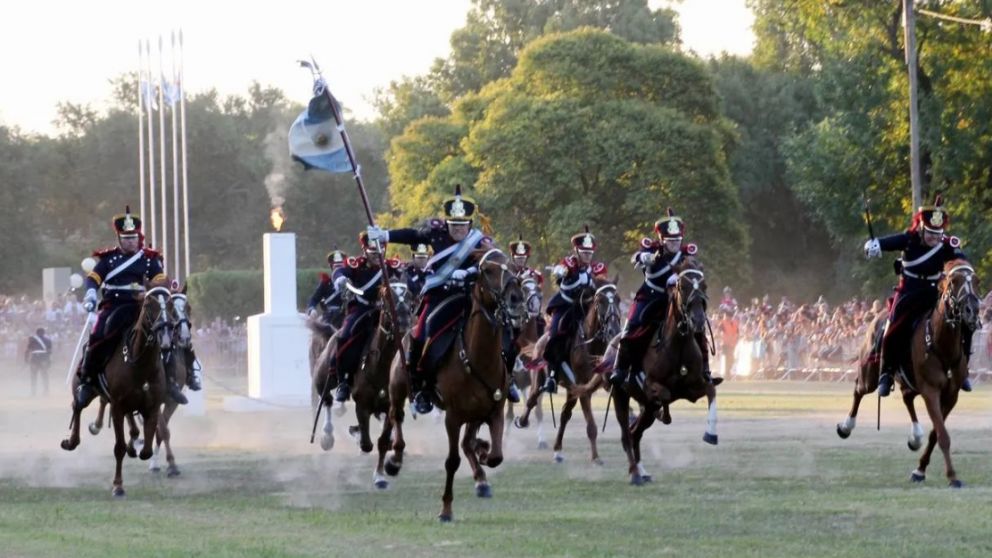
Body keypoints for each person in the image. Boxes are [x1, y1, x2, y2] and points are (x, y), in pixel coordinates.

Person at [366, 185, 518, 413]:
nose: (458, 229)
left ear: (470, 224)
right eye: (454, 225)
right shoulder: (435, 233)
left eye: (462, 225)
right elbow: (411, 235)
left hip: (470, 296)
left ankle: (508, 378)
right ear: (447, 223)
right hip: (440, 296)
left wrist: (469, 273)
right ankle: (420, 386)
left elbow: (496, 263)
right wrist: (385, 235)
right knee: (421, 333)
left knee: (505, 328)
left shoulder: (480, 241)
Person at [75, 206, 186, 408]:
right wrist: (91, 293)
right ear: (119, 238)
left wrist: (157, 288)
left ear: (139, 237)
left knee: (167, 334)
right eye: (126, 238)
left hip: (142, 307)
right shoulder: (108, 259)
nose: (131, 241)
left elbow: (159, 278)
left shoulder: (149, 259)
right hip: (114, 306)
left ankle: (171, 381)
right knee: (97, 336)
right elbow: (93, 278)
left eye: (134, 237)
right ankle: (87, 381)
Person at [863, 194, 972, 396]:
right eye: (930, 233)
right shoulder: (909, 239)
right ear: (921, 228)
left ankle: (962, 370)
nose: (934, 238)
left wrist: (963, 267)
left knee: (964, 323)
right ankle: (886, 373)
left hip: (934, 294)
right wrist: (874, 246)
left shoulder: (947, 244)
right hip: (909, 293)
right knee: (893, 327)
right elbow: (885, 243)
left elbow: (961, 260)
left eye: (938, 233)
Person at [607, 208, 717, 387]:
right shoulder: (651, 249)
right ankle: (620, 369)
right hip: (651, 296)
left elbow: (694, 270)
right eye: (670, 241)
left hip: (676, 299)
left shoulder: (686, 255)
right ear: (662, 239)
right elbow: (636, 258)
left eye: (677, 240)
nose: (675, 244)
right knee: (631, 326)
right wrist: (646, 257)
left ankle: (705, 370)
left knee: (698, 327)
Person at [327, 234, 401, 403]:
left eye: (379, 251)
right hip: (362, 309)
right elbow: (340, 271)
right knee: (346, 336)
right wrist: (340, 278)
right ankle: (343, 380)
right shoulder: (356, 265)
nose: (376, 255)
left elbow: (407, 277)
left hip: (386, 311)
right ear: (365, 250)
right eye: (372, 251)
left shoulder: (391, 267)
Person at [543, 226, 608, 393]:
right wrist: (561, 272)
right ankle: (552, 375)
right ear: (576, 251)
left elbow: (601, 285)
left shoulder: (596, 268)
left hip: (586, 308)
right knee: (555, 333)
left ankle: (610, 367)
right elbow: (560, 273)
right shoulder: (569, 264)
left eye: (590, 252)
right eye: (584, 252)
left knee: (606, 327)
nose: (587, 255)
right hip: (566, 307)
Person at [306, 249, 348, 324]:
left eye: (341, 266)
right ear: (332, 267)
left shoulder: (351, 281)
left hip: (347, 315)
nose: (339, 269)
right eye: (336, 266)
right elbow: (314, 299)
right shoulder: (326, 282)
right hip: (330, 317)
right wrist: (312, 309)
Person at [24, 327, 52, 396]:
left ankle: (33, 392)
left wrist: (26, 359)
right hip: (44, 358)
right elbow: (49, 352)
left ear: (36, 333)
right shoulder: (48, 340)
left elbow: (28, 350)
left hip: (34, 358)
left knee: (33, 375)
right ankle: (46, 391)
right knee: (44, 375)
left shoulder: (32, 339)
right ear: (44, 333)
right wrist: (48, 360)